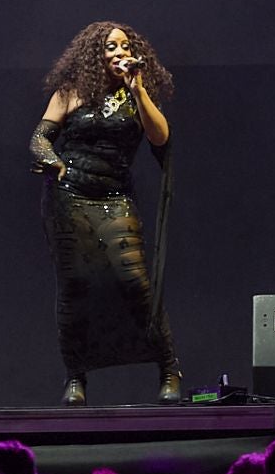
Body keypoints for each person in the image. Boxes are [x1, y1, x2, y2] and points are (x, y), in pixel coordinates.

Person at [29, 21, 180, 406]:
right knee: (75, 287)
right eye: (110, 48)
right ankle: (75, 377)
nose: (119, 53)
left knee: (136, 284)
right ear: (95, 56)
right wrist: (51, 160)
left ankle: (168, 368)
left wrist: (139, 90)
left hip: (114, 197)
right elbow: (39, 137)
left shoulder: (136, 95)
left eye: (124, 46)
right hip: (68, 196)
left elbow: (160, 138)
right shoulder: (72, 92)